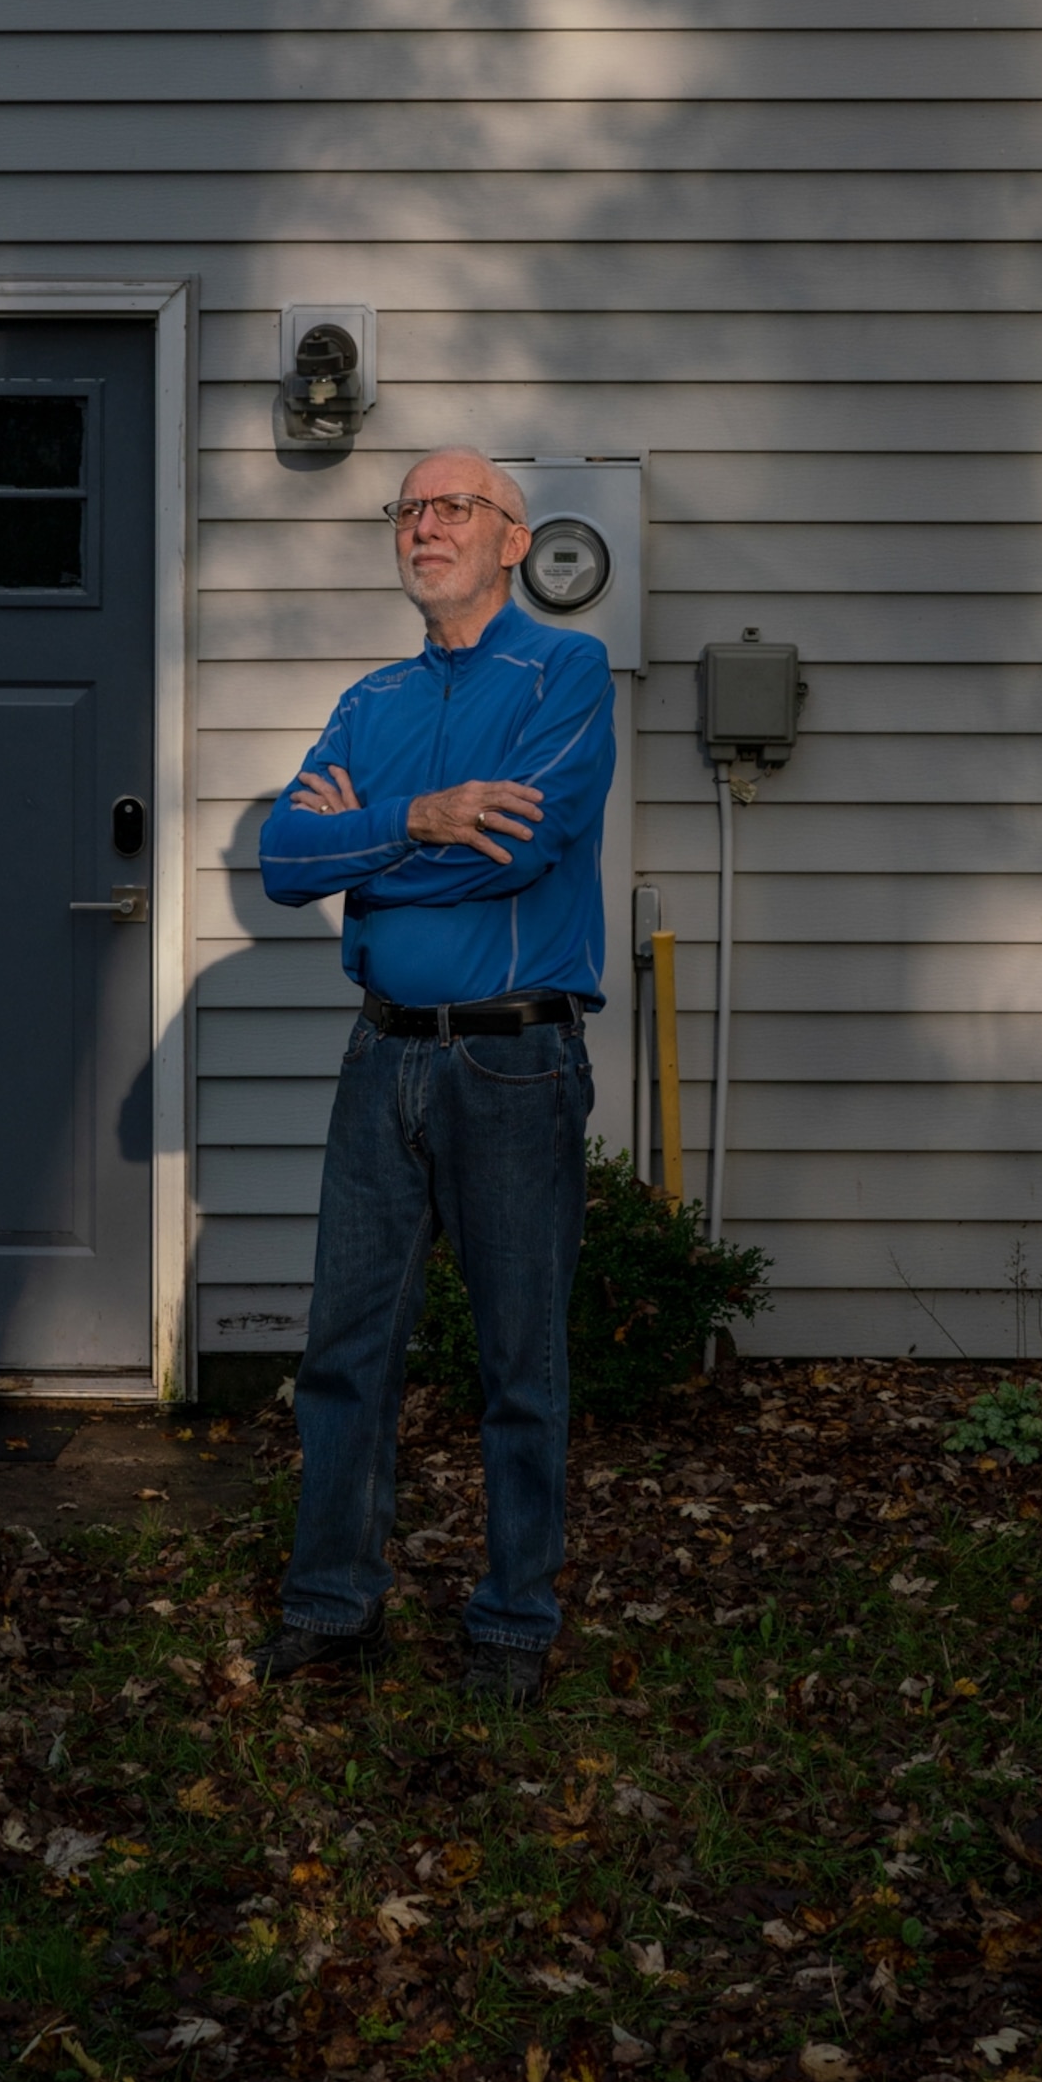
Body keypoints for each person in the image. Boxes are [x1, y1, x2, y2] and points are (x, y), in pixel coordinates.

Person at [254, 446, 618, 1708]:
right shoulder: (368, 701)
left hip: (512, 1060)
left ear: (515, 538)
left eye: (454, 506)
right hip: (383, 1054)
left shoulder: (564, 670)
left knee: (520, 1361)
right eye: (409, 508)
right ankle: (332, 1605)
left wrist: (365, 841)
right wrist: (415, 817)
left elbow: (524, 848)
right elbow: (282, 862)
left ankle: (513, 1622)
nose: (425, 525)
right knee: (349, 1351)